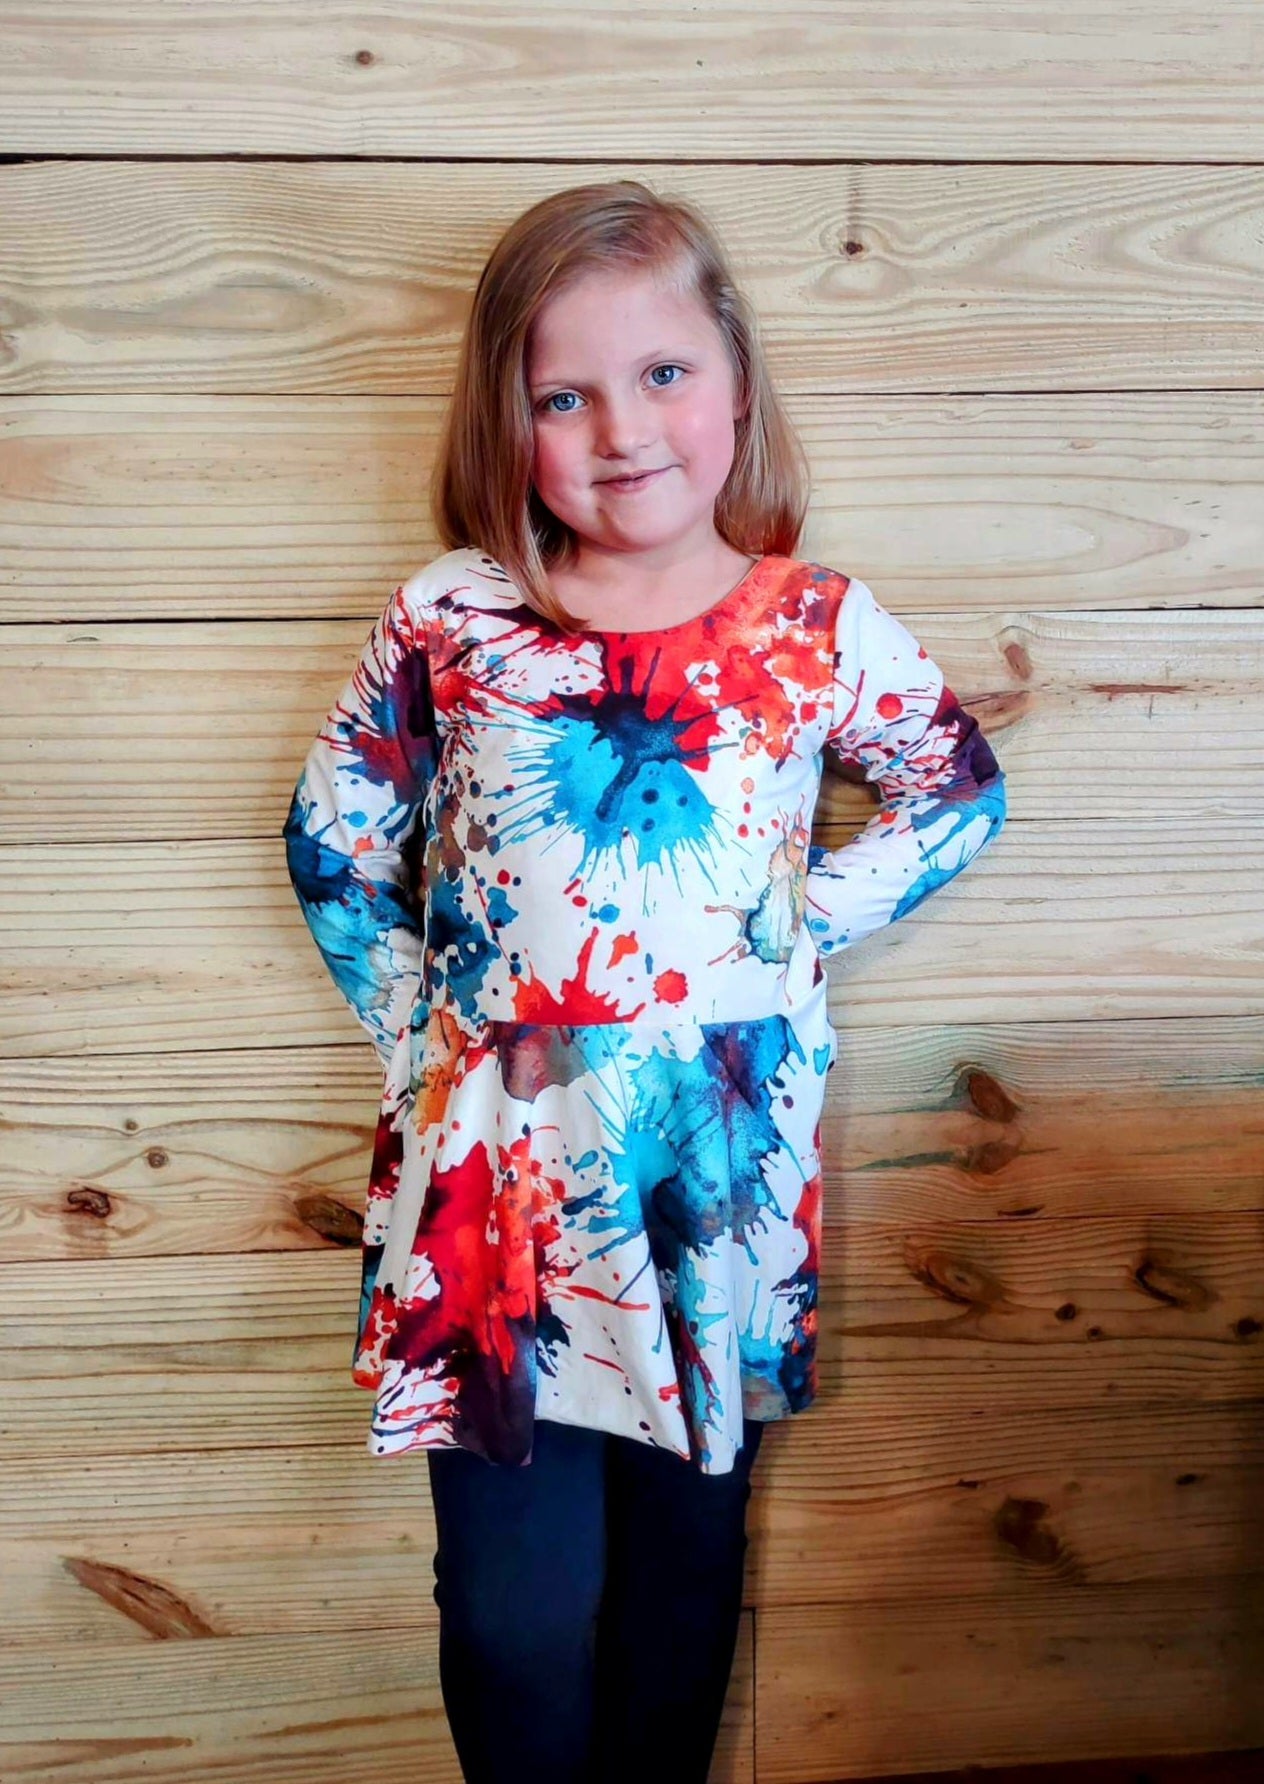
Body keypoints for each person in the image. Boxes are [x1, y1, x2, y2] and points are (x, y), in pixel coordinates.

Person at [282, 178, 1008, 1783]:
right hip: (499, 1192)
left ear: (734, 380)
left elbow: (955, 791)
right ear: (508, 418)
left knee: (682, 1583)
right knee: (517, 1612)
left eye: (663, 373)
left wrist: (791, 927)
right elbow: (335, 843)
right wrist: (430, 1043)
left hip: (715, 1185)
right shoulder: (452, 616)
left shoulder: (814, 625)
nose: (622, 431)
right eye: (565, 396)